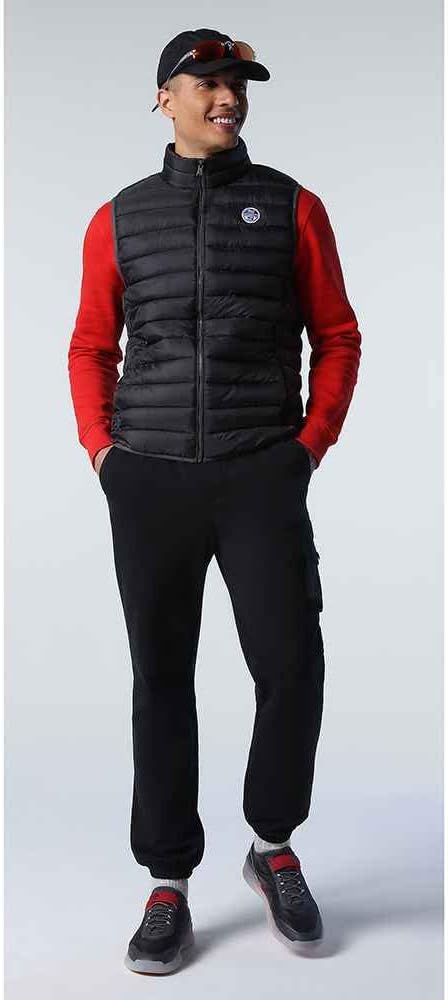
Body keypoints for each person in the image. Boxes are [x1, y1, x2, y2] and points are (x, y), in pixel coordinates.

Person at [68, 27, 362, 975]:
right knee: (161, 677)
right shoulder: (119, 218)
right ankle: (168, 880)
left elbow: (338, 334)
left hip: (258, 473)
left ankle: (272, 846)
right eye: (207, 82)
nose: (227, 96)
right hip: (148, 477)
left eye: (237, 83)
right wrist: (104, 452)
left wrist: (306, 449)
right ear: (166, 98)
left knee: (290, 666)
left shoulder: (294, 207)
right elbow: (90, 345)